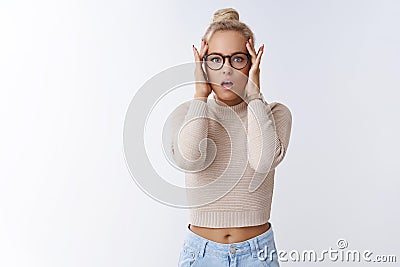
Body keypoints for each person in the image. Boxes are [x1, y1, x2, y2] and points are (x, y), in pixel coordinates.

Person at [169, 7, 292, 267]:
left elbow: (261, 162)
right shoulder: (187, 114)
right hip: (200, 255)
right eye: (215, 59)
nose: (226, 70)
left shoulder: (274, 114)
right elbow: (189, 159)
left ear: (252, 62)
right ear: (203, 65)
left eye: (237, 59)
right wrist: (200, 95)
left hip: (258, 255)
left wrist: (254, 95)